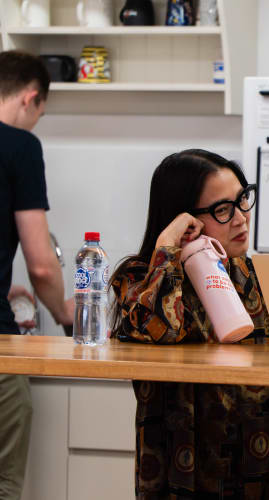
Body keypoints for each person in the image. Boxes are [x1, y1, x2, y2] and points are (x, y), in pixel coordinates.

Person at [109, 149, 269, 499]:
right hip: (184, 476)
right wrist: (167, 247)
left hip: (262, 471)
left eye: (242, 200)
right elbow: (164, 328)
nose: (240, 219)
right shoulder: (139, 280)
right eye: (223, 209)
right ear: (184, 219)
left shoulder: (253, 275)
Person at [0, 50, 74, 500]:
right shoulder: (20, 146)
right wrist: (64, 309)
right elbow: (43, 264)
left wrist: (7, 286)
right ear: (31, 98)